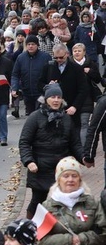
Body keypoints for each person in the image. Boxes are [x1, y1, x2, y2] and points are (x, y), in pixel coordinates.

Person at [38, 157, 106, 245]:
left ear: (80, 179)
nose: (70, 179)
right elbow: (42, 241)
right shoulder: (47, 206)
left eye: (74, 176)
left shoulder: (91, 203)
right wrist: (69, 240)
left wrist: (81, 239)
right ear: (58, 180)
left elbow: (103, 233)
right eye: (66, 176)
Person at [19, 84, 83, 219]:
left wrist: (84, 157)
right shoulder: (35, 117)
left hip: (60, 170)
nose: (56, 100)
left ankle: (56, 230)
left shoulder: (66, 119)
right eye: (53, 97)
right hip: (40, 168)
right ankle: (30, 228)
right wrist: (29, 161)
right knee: (38, 201)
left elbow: (75, 143)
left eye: (58, 97)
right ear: (46, 99)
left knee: (60, 202)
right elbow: (24, 142)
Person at [11, 35, 51, 116]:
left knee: (40, 114)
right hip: (27, 93)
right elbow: (15, 74)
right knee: (31, 116)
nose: (30, 46)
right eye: (28, 44)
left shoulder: (45, 57)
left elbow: (50, 74)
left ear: (37, 45)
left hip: (41, 93)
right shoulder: (21, 58)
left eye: (33, 44)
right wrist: (14, 88)